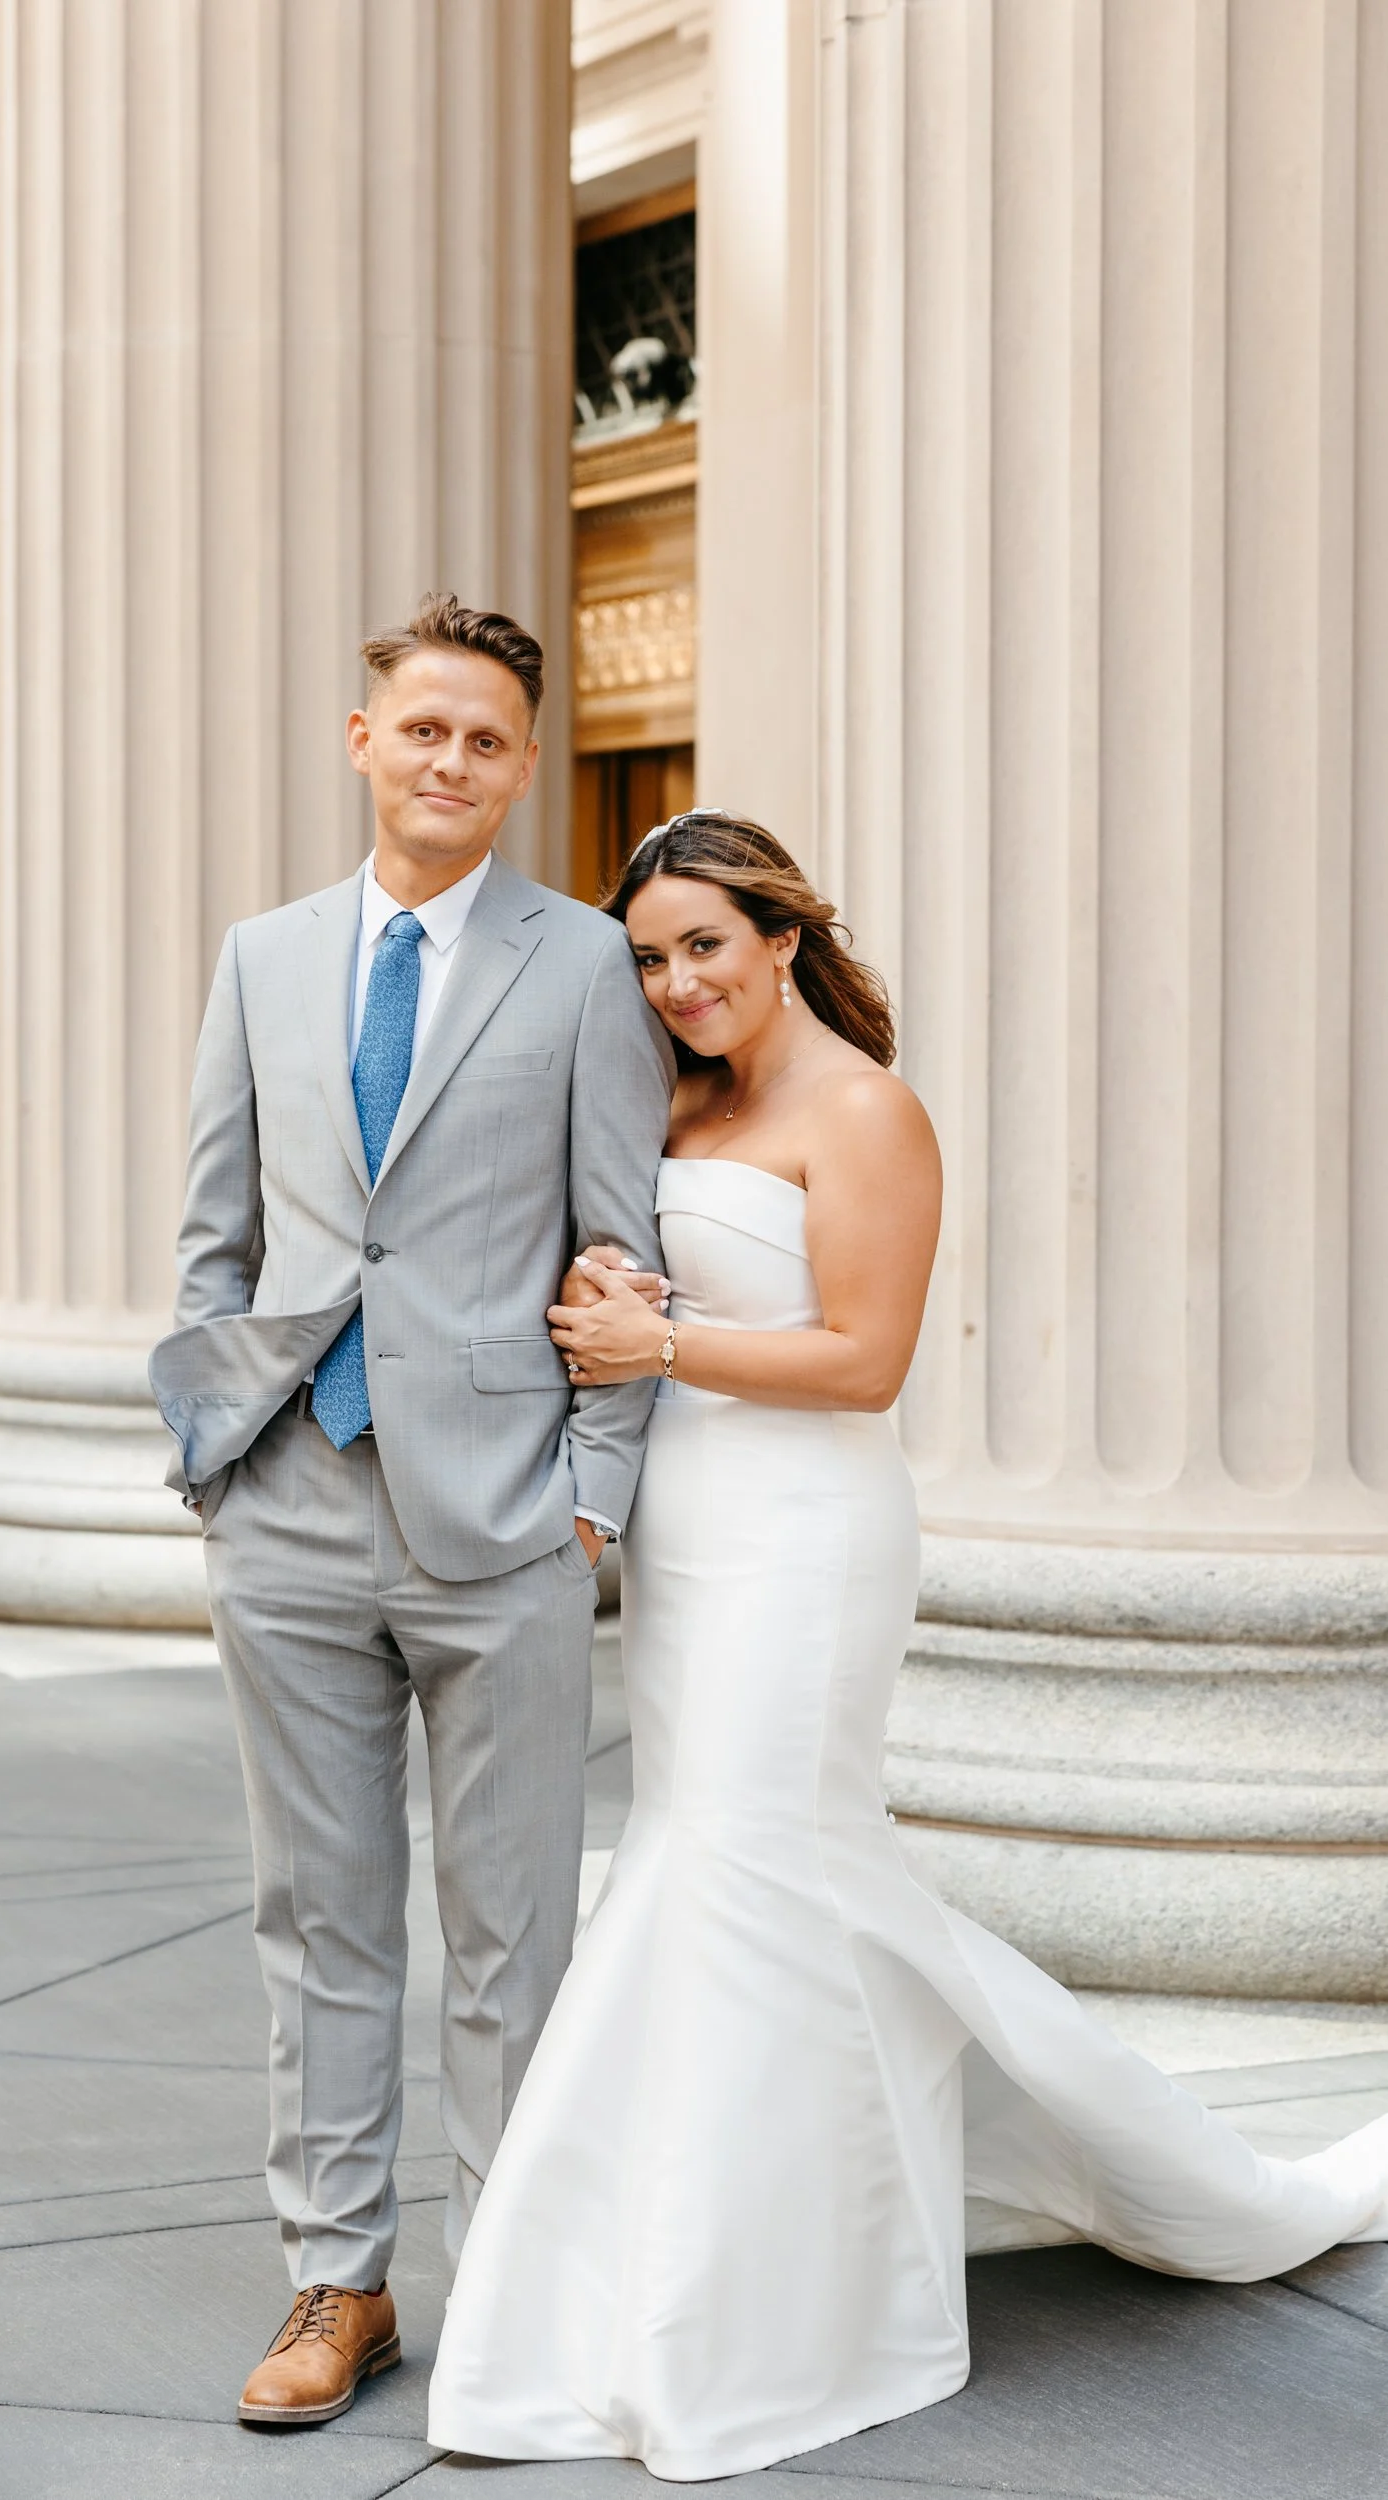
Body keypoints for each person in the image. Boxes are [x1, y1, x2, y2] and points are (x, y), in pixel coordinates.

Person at [426, 809, 1388, 2483]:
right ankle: (776, 2251)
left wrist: (662, 1335)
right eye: (648, 959)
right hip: (689, 1533)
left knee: (743, 1865)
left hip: (807, 1538)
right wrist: (605, 1297)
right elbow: (632, 1293)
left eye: (703, 946)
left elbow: (866, 1360)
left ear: (782, 937)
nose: (676, 983)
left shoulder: (865, 1110)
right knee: (757, 1871)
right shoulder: (671, 1102)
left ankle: (771, 2304)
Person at [150, 595, 672, 2430]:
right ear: (362, 740)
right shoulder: (263, 957)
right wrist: (211, 1457)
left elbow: (626, 1244)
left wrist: (591, 1503)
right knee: (320, 1912)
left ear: (525, 771)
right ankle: (336, 2282)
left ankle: (518, 2285)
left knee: (513, 1928)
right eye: (422, 727)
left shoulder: (581, 964)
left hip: (507, 1516)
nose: (450, 759)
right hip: (289, 1497)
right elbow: (220, 1232)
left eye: (487, 740)